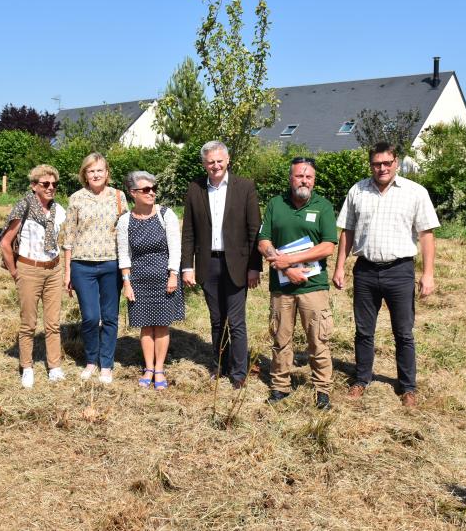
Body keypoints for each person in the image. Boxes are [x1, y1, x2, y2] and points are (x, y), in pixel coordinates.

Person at [332, 142, 439, 408]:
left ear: (396, 163)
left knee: (403, 332)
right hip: (366, 270)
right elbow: (347, 231)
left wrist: (428, 274)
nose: (381, 168)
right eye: (376, 164)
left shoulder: (415, 192)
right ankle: (362, 379)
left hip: (400, 271)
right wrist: (339, 267)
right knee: (363, 331)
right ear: (371, 165)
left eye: (386, 163)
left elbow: (426, 234)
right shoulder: (357, 190)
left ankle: (407, 386)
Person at [181, 140, 262, 388]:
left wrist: (254, 266)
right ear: (204, 164)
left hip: (237, 264)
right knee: (217, 320)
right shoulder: (195, 189)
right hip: (209, 264)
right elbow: (189, 232)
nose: (215, 165)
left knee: (236, 321)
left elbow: (254, 230)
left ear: (227, 161)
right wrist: (187, 266)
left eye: (219, 160)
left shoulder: (245, 187)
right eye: (210, 162)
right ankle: (221, 365)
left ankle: (238, 374)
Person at [258, 156, 337, 410]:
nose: (304, 180)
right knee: (281, 338)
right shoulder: (275, 204)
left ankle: (322, 389)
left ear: (314, 180)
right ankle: (280, 386)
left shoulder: (323, 206)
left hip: (313, 287)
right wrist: (281, 263)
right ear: (290, 178)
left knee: (318, 339)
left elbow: (327, 247)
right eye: (299, 176)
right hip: (282, 288)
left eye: (309, 177)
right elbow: (263, 241)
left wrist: (290, 260)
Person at [63, 152, 128, 384]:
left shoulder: (119, 197)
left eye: (100, 170)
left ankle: (106, 364)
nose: (96, 174)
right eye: (91, 171)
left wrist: (127, 270)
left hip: (112, 264)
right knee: (90, 317)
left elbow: (125, 233)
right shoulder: (76, 199)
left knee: (110, 317)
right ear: (85, 174)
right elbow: (68, 236)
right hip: (83, 266)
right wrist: (67, 271)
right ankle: (91, 360)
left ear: (107, 173)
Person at [0, 165, 68, 389]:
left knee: (53, 322)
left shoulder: (59, 210)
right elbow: (5, 242)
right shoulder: (24, 205)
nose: (50, 188)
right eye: (45, 184)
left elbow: (66, 241)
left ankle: (54, 366)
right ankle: (27, 367)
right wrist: (15, 272)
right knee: (28, 323)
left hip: (54, 269)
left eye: (54, 185)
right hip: (29, 269)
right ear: (34, 185)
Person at [116, 171, 184, 390]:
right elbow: (124, 255)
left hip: (165, 279)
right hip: (138, 280)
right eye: (146, 189)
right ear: (133, 193)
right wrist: (127, 283)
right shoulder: (125, 221)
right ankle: (148, 368)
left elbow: (176, 248)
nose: (151, 192)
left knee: (162, 326)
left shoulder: (166, 215)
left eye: (153, 188)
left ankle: (160, 369)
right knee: (145, 327)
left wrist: (173, 275)